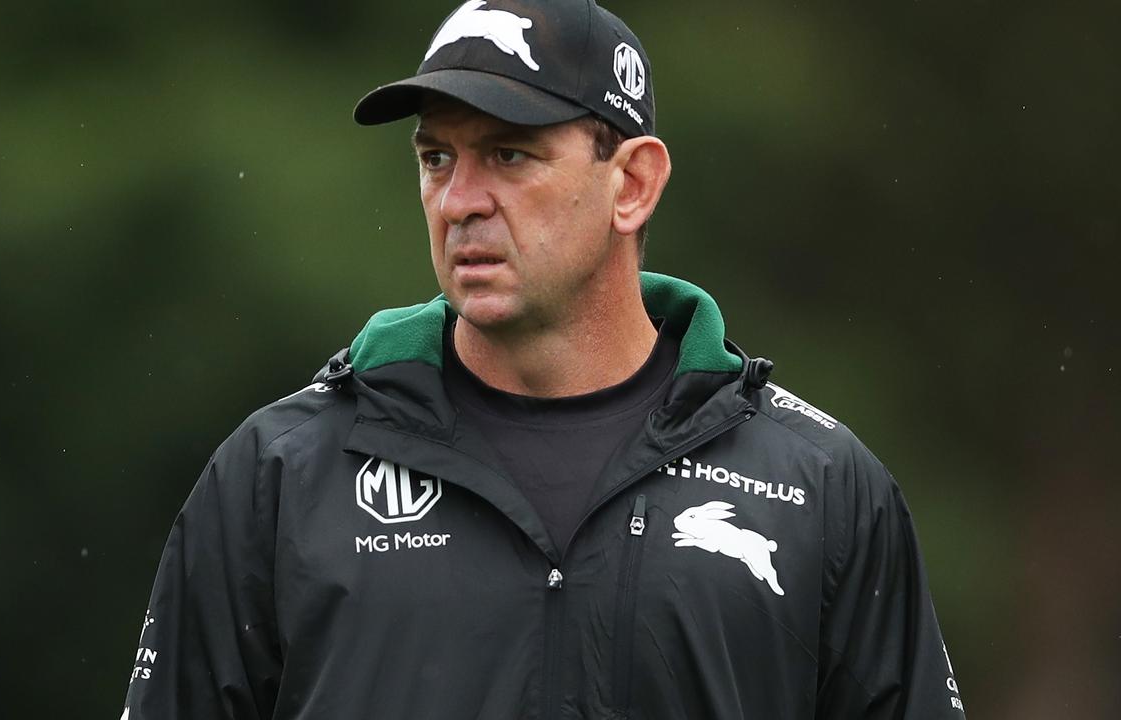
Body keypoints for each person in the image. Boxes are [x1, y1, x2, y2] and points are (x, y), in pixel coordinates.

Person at [119, 1, 966, 718]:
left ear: (632, 184)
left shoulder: (820, 487)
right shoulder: (279, 474)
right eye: (436, 157)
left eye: (509, 155)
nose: (459, 201)